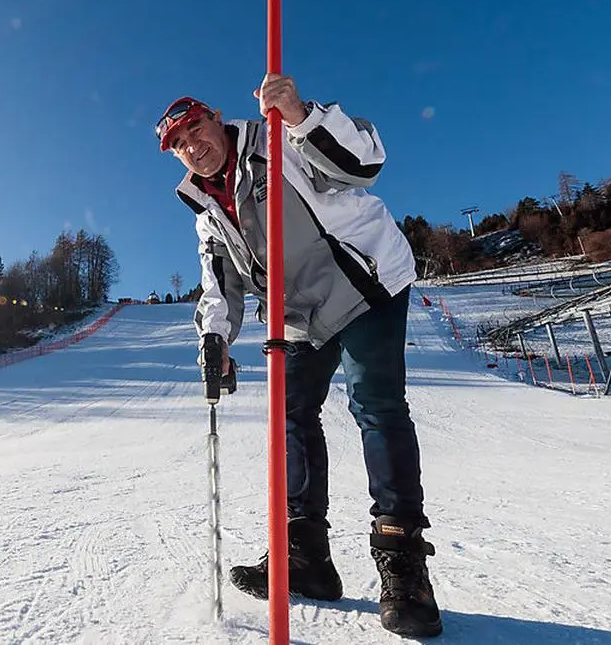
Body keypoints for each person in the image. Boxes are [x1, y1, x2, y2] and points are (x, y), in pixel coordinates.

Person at [156, 74, 442, 638]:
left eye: (196, 129)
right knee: (290, 416)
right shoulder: (206, 212)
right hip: (298, 314)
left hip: (363, 284)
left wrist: (304, 115)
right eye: (179, 144)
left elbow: (364, 164)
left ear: (216, 118)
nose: (192, 145)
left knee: (376, 406)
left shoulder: (277, 135)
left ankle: (403, 564)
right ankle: (305, 555)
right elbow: (219, 285)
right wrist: (214, 340)